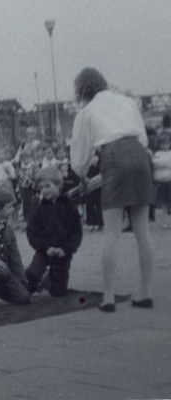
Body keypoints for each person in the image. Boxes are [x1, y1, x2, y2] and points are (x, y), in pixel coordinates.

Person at [71, 67, 155, 312]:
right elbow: (143, 139)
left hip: (113, 157)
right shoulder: (127, 102)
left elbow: (80, 155)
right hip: (139, 155)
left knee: (112, 232)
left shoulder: (86, 112)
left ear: (81, 90)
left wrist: (83, 175)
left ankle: (108, 298)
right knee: (142, 229)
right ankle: (146, 293)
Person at [25, 167, 83, 297]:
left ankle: (48, 280)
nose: (44, 190)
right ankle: (34, 281)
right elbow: (31, 232)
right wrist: (45, 247)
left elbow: (77, 233)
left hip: (63, 252)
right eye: (41, 188)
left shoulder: (69, 207)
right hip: (45, 250)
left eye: (48, 186)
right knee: (33, 274)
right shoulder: (39, 209)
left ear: (59, 185)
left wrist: (66, 249)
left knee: (59, 292)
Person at [153, 132, 171, 229]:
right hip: (162, 180)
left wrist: (162, 164)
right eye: (163, 143)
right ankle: (165, 221)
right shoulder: (157, 153)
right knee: (164, 203)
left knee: (169, 202)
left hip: (169, 179)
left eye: (167, 143)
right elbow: (155, 163)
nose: (165, 145)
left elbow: (158, 163)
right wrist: (166, 164)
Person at [85, 152, 104, 231]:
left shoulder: (99, 161)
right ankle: (91, 223)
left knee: (98, 204)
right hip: (88, 184)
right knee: (89, 204)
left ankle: (100, 223)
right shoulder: (86, 161)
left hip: (98, 185)